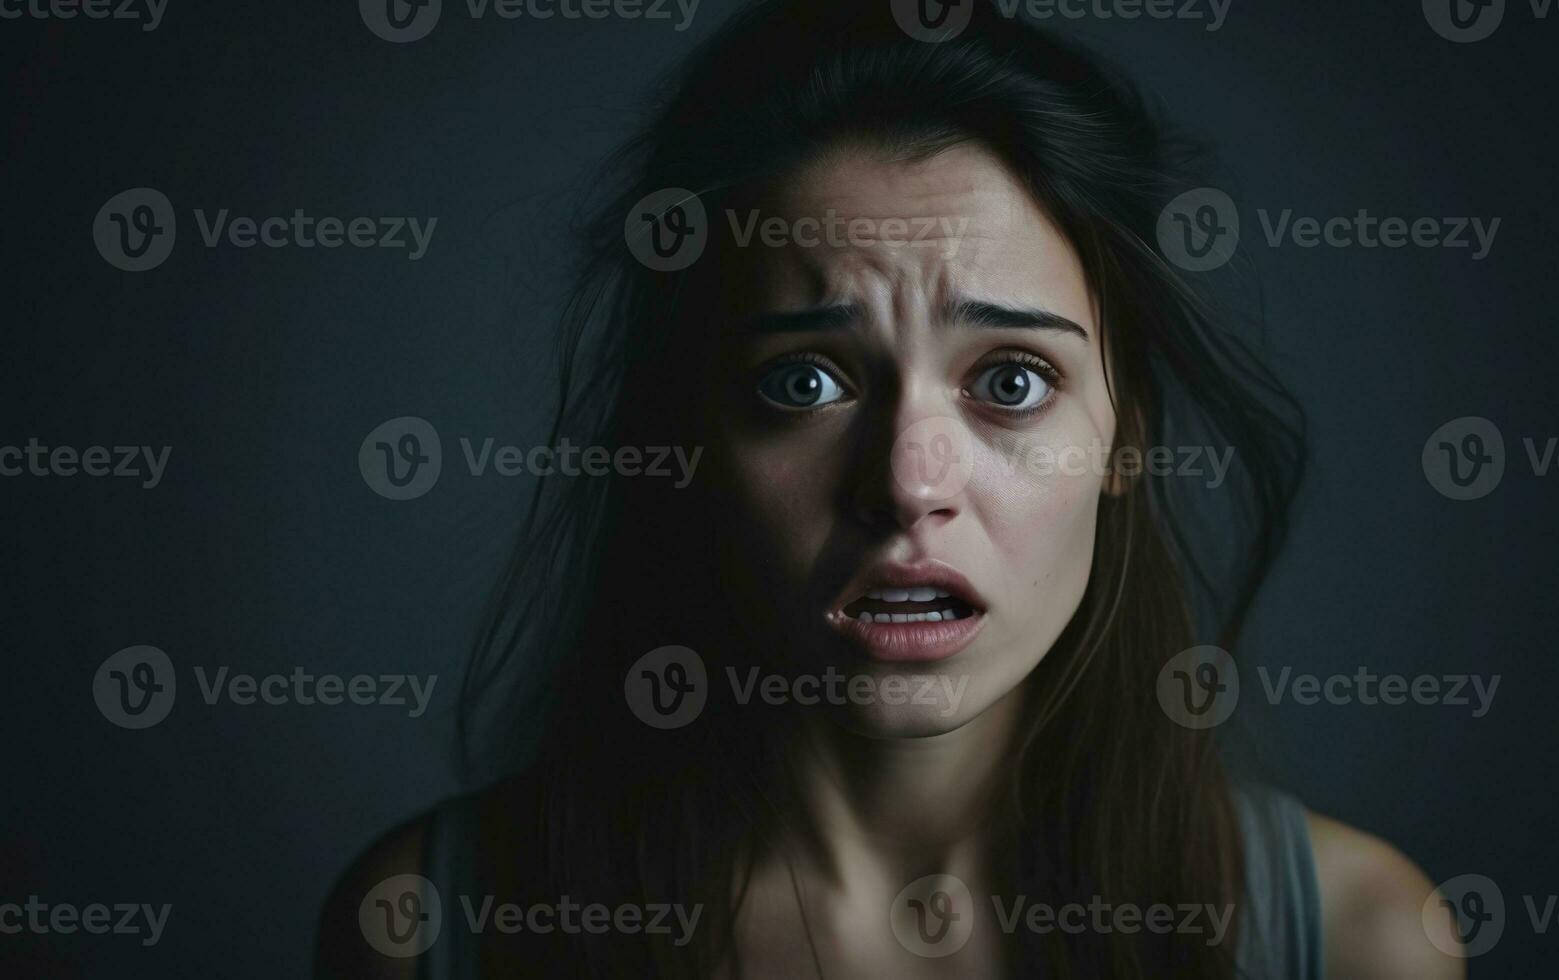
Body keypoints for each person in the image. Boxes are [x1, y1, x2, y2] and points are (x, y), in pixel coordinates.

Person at [319, 2, 1459, 976]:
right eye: (805, 379)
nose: (909, 484)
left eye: (1012, 378)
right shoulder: (431, 929)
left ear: (1127, 441)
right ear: (686, 440)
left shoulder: (1359, 941)